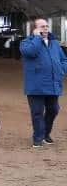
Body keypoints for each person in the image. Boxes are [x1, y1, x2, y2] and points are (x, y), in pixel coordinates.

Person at [20, 18, 67, 147]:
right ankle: (38, 137)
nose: (45, 28)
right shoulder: (26, 43)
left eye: (46, 26)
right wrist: (37, 38)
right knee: (37, 112)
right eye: (42, 26)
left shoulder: (55, 43)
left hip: (53, 84)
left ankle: (45, 134)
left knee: (54, 109)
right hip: (36, 85)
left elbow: (64, 59)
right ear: (34, 29)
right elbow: (30, 52)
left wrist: (61, 70)